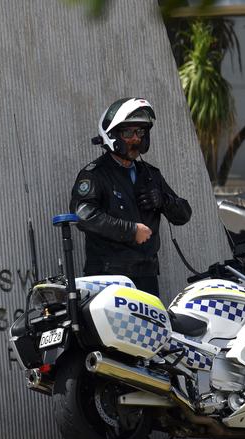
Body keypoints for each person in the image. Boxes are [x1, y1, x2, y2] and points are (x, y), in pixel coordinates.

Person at [70, 97, 192, 297]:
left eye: (140, 132)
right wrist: (130, 230)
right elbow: (83, 215)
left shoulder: (150, 174)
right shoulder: (95, 174)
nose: (136, 138)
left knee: (149, 329)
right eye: (128, 133)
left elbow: (184, 214)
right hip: (109, 277)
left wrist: (164, 200)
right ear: (113, 135)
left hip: (146, 275)